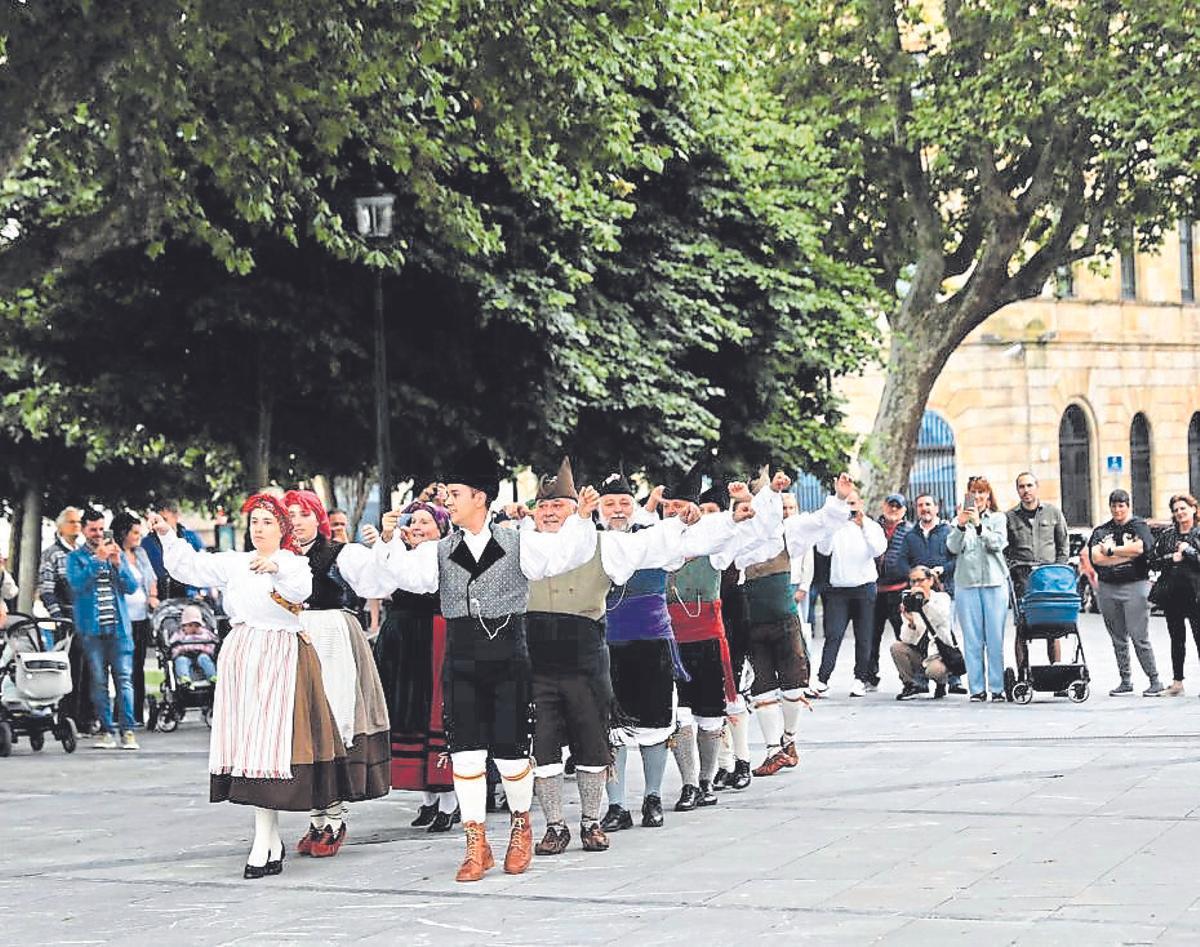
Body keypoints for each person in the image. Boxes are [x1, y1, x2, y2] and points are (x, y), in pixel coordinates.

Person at [338, 442, 601, 883]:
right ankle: (475, 843)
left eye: (455, 494)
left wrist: (581, 519)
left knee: (513, 756)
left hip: (508, 659)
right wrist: (388, 543)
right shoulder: (439, 550)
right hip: (461, 659)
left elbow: (564, 555)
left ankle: (521, 826)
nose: (447, 501)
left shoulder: (519, 541)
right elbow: (402, 577)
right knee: (465, 755)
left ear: (479, 496)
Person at [151, 494, 351, 879]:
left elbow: (299, 591)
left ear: (282, 529)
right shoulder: (235, 561)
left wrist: (275, 567)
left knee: (270, 746)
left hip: (280, 653)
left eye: (267, 522)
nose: (258, 528)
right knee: (250, 746)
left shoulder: (294, 563)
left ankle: (266, 840)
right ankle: (268, 836)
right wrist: (169, 537)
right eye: (254, 521)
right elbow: (191, 566)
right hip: (243, 653)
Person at [597, 470, 751, 833]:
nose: (617, 509)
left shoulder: (655, 538)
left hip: (652, 644)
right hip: (605, 646)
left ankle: (652, 798)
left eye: (623, 502)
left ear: (634, 507)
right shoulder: (587, 541)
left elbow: (698, 540)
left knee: (654, 725)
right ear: (599, 509)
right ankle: (616, 805)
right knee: (612, 731)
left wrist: (730, 516)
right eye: (609, 503)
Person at [285, 489, 391, 858]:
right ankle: (316, 818)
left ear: (318, 518)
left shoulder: (340, 554)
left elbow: (377, 583)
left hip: (331, 639)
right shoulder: (279, 558)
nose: (296, 520)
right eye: (290, 514)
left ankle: (333, 818)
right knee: (306, 727)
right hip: (293, 641)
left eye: (303, 513)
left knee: (334, 720)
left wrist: (383, 546)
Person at [661, 472, 764, 812]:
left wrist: (739, 508)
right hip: (665, 640)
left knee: (708, 714)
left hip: (704, 638)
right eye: (668, 506)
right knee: (679, 714)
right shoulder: (652, 541)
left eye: (680, 506)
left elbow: (742, 534)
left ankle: (705, 780)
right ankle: (688, 783)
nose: (673, 512)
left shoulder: (715, 545)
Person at [737, 471, 851, 773]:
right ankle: (774, 750)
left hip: (785, 620)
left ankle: (788, 741)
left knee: (792, 685)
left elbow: (823, 521)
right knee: (762, 688)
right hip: (752, 623)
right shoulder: (736, 535)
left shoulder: (789, 530)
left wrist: (840, 499)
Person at [368, 500, 459, 832]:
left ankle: (448, 801)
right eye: (414, 521)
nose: (418, 527)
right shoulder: (401, 552)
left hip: (433, 633)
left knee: (434, 710)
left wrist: (391, 544)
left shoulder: (441, 553)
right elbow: (378, 582)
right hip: (402, 636)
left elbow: (422, 583)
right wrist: (388, 539)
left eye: (426, 521)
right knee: (409, 711)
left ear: (441, 527)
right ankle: (428, 800)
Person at [65, 510, 140, 750]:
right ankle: (106, 730)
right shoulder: (75, 558)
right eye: (93, 529)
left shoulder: (114, 553)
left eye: (101, 529)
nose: (98, 534)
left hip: (119, 630)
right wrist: (96, 560)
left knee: (124, 680)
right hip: (92, 630)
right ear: (84, 530)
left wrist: (118, 564)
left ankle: (127, 731)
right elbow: (76, 585)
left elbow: (131, 586)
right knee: (98, 681)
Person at [811, 484, 888, 698]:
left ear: (861, 505)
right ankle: (822, 679)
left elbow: (879, 550)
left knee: (864, 636)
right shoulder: (835, 527)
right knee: (833, 634)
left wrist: (863, 526)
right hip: (839, 589)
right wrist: (830, 526)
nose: (850, 509)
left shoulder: (871, 526)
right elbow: (823, 550)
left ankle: (860, 678)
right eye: (847, 504)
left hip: (864, 588)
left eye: (853, 504)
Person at [1089, 489, 1162, 697]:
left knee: (1140, 635)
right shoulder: (1102, 531)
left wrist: (1111, 552)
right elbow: (1097, 558)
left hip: (1135, 585)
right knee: (1118, 637)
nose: (1117, 509)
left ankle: (1154, 679)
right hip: (1108, 587)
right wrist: (1127, 554)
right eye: (1114, 505)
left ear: (1128, 506)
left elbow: (1141, 549)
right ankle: (1125, 680)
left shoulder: (1138, 525)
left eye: (1121, 505)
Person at [947, 476, 1009, 702]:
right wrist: (962, 526)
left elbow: (998, 544)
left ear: (989, 496)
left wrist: (979, 526)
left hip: (994, 583)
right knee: (972, 639)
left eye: (983, 492)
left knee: (994, 638)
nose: (979, 497)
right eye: (974, 492)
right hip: (967, 584)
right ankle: (976, 688)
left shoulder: (998, 518)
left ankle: (997, 686)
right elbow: (952, 547)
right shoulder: (958, 520)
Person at [1005, 472, 1069, 668]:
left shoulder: (1053, 512)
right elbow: (1004, 549)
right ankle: (1023, 673)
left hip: (1049, 579)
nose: (1026, 490)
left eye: (1029, 485)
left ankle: (1056, 670)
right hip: (1023, 581)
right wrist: (1012, 567)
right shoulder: (1010, 517)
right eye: (1022, 487)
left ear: (1037, 487)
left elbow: (1063, 544)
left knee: (1053, 627)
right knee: (1022, 628)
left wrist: (1057, 570)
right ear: (1017, 490)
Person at [39, 506, 90, 729]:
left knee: (91, 667)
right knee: (73, 668)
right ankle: (70, 718)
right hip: (68, 618)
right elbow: (47, 590)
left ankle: (88, 717)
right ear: (61, 527)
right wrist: (59, 617)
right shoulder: (51, 554)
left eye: (78, 522)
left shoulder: (82, 553)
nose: (76, 526)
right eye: (72, 522)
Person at [1148, 494, 1200, 697]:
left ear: (1194, 509)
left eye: (1183, 508)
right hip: (1173, 594)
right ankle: (1177, 683)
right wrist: (1172, 558)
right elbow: (1154, 560)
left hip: (1196, 594)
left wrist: (1188, 551)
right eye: (1176, 510)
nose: (1180, 513)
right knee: (1176, 639)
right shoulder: (1168, 535)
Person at [112, 512, 158, 725]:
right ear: (123, 533)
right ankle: (121, 713)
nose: (139, 536)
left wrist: (153, 596)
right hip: (121, 618)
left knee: (137, 665)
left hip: (141, 617)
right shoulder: (114, 554)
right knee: (123, 667)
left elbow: (151, 579)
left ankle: (137, 713)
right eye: (135, 533)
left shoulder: (140, 553)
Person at [867, 493, 912, 692]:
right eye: (890, 505)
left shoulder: (910, 531)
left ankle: (909, 678)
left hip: (899, 590)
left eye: (897, 506)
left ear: (904, 510)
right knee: (870, 636)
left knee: (903, 636)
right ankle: (868, 676)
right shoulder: (872, 528)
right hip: (874, 590)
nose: (893, 510)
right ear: (884, 506)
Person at [891, 566, 956, 699]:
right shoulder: (910, 601)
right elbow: (906, 639)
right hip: (919, 652)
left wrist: (925, 601)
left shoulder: (942, 598)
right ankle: (910, 684)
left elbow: (940, 618)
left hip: (938, 653)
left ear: (930, 581)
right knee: (896, 648)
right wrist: (910, 622)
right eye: (913, 581)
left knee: (935, 670)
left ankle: (941, 683)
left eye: (920, 580)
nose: (916, 585)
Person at [142, 499, 204, 599]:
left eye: (165, 519)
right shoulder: (146, 543)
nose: (161, 524)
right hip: (160, 596)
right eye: (158, 520)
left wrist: (200, 591)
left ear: (176, 517)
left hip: (190, 594)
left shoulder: (192, 538)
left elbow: (203, 565)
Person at [169, 603, 219, 683]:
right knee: (181, 661)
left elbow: (212, 643)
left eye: (197, 625)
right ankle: (184, 678)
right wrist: (179, 650)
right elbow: (172, 645)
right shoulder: (179, 634)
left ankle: (212, 676)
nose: (193, 628)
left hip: (202, 653)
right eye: (190, 625)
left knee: (205, 659)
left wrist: (208, 650)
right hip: (185, 654)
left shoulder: (205, 633)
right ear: (184, 626)